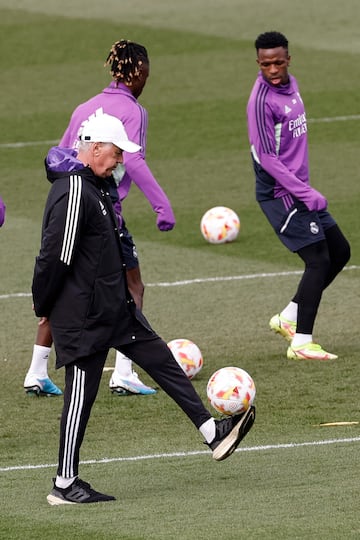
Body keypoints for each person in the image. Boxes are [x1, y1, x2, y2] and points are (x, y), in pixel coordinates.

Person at [32, 112, 256, 504]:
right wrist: (45, 305)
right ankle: (64, 485)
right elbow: (57, 256)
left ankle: (212, 433)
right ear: (95, 148)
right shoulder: (73, 190)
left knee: (162, 359)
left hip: (112, 308)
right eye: (117, 153)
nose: (120, 161)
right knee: (80, 398)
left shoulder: (96, 185)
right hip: (85, 316)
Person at [24, 39, 176, 397]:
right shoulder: (134, 111)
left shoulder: (85, 107)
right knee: (133, 286)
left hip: (70, 209)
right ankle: (124, 372)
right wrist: (161, 205)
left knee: (59, 287)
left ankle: (36, 370)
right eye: (146, 73)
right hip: (107, 216)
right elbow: (133, 161)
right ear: (138, 72)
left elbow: (62, 155)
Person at [246, 31, 351, 361]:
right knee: (317, 260)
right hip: (281, 194)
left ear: (288, 60)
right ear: (258, 63)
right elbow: (267, 157)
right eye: (265, 65)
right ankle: (302, 342)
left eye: (278, 62)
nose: (273, 70)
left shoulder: (291, 86)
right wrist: (305, 192)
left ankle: (289, 317)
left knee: (340, 251)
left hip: (298, 188)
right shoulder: (261, 102)